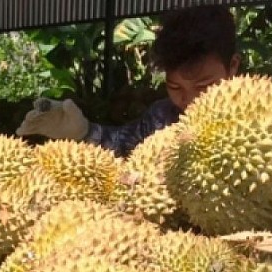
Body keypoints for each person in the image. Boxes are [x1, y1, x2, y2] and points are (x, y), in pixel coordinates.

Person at [16, 4, 240, 157]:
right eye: (174, 86)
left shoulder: (267, 116)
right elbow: (122, 145)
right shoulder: (161, 117)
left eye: (204, 86)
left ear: (232, 67)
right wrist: (82, 131)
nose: (188, 99)